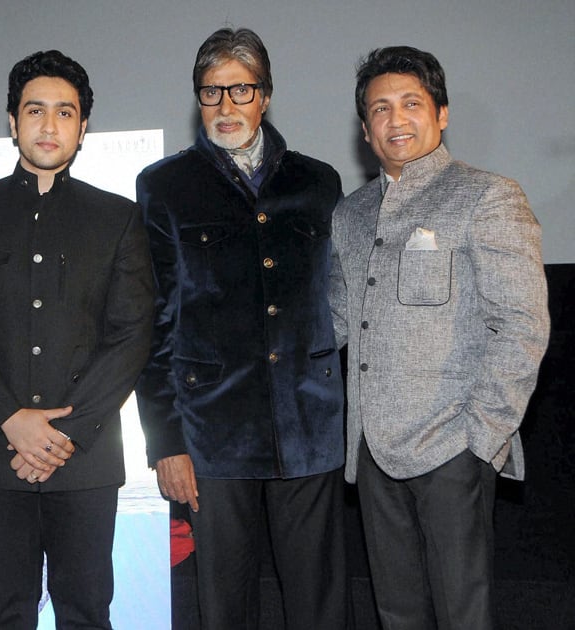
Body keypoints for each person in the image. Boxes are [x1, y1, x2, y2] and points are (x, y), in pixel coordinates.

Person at [0, 50, 154, 628]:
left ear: (82, 127)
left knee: (86, 612)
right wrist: (11, 419)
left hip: (86, 454)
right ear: (11, 120)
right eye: (35, 110)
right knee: (4, 611)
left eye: (65, 113)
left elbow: (132, 334)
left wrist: (63, 433)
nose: (49, 126)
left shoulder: (118, 217)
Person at [329, 46, 550, 629]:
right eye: (380, 108)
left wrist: (482, 437)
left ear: (441, 113)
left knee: (462, 615)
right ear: (364, 127)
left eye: (411, 103)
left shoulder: (487, 195)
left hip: (454, 445)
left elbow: (523, 324)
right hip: (372, 451)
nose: (395, 120)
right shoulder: (349, 215)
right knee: (396, 613)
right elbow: (336, 320)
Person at [135, 28, 348, 629]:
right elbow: (154, 322)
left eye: (240, 90)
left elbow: (339, 296)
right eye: (211, 93)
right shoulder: (164, 186)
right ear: (197, 99)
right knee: (224, 607)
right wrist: (166, 441)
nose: (225, 106)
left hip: (310, 429)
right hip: (213, 434)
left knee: (321, 603)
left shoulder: (317, 183)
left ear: (266, 96)